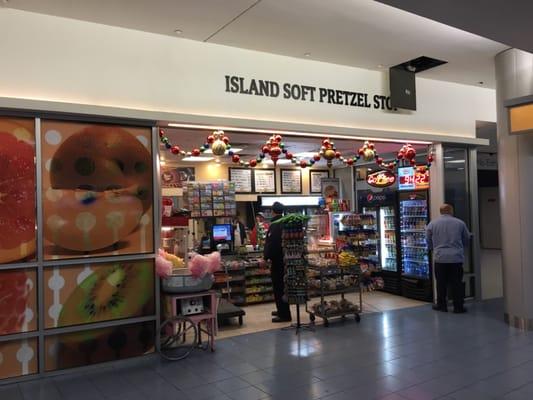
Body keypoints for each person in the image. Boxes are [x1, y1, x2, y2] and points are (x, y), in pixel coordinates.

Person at [426, 204, 470, 313]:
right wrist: (461, 247)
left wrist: (432, 248)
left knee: (441, 283)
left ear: (440, 211)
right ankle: (458, 307)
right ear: (451, 211)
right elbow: (466, 238)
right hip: (456, 258)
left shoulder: (432, 224)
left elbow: (428, 239)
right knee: (457, 283)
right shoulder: (460, 223)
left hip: (440, 258)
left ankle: (442, 306)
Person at [263, 202, 291, 322]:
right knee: (282, 287)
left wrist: (266, 257)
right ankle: (281, 310)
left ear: (273, 211)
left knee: (279, 287)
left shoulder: (275, 224)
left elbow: (272, 244)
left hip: (278, 261)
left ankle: (284, 314)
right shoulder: (284, 222)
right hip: (285, 259)